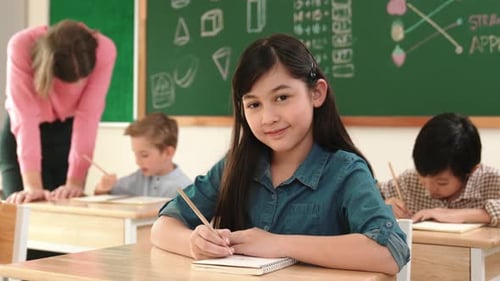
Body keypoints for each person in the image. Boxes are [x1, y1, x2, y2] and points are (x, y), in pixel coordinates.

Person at [150, 33, 410, 275]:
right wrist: (194, 244)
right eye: (253, 104)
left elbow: (390, 251)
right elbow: (162, 227)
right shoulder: (237, 164)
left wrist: (277, 244)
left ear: (316, 93)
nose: (268, 118)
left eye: (282, 97)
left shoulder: (346, 171)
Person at [0, 19, 117, 203]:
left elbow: (88, 117)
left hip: (67, 135)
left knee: (65, 214)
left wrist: (75, 183)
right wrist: (32, 186)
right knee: (23, 213)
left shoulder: (105, 49)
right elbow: (25, 119)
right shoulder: (21, 46)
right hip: (23, 136)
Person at [378, 112, 500, 226]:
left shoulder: (489, 180)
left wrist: (460, 215)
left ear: (471, 171)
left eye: (442, 182)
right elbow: (365, 194)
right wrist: (383, 206)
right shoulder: (410, 180)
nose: (430, 189)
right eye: (423, 178)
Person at [93, 112, 192, 197]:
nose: (137, 162)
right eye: (135, 154)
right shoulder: (136, 179)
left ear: (168, 152)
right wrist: (102, 188)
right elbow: (104, 196)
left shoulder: (186, 190)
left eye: (144, 155)